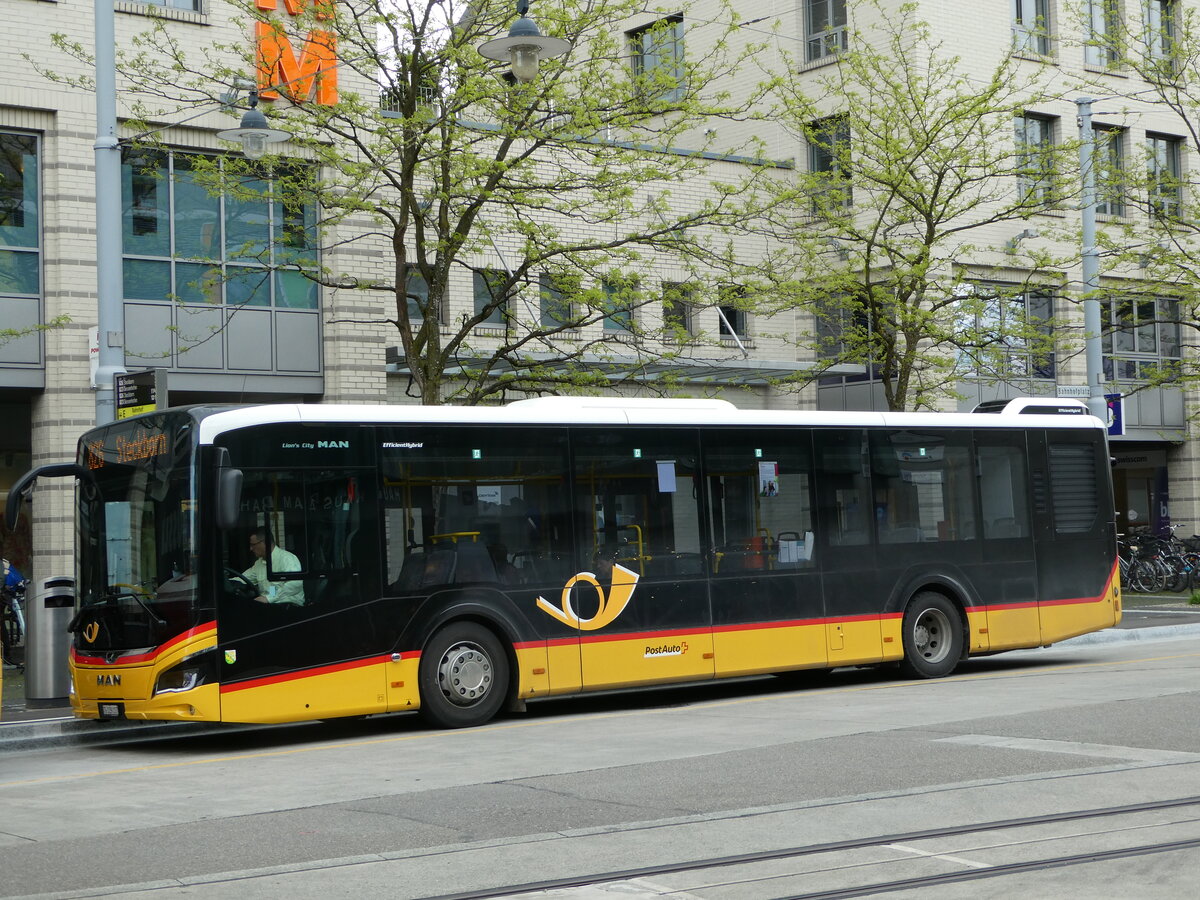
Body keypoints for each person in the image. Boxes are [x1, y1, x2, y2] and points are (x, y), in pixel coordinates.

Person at [242, 529, 305, 605]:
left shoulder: (287, 559)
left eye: (253, 545)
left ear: (266, 543)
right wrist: (226, 581)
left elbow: (295, 583)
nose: (251, 548)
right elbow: (244, 578)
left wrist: (269, 598)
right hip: (270, 606)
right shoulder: (259, 563)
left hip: (290, 607)